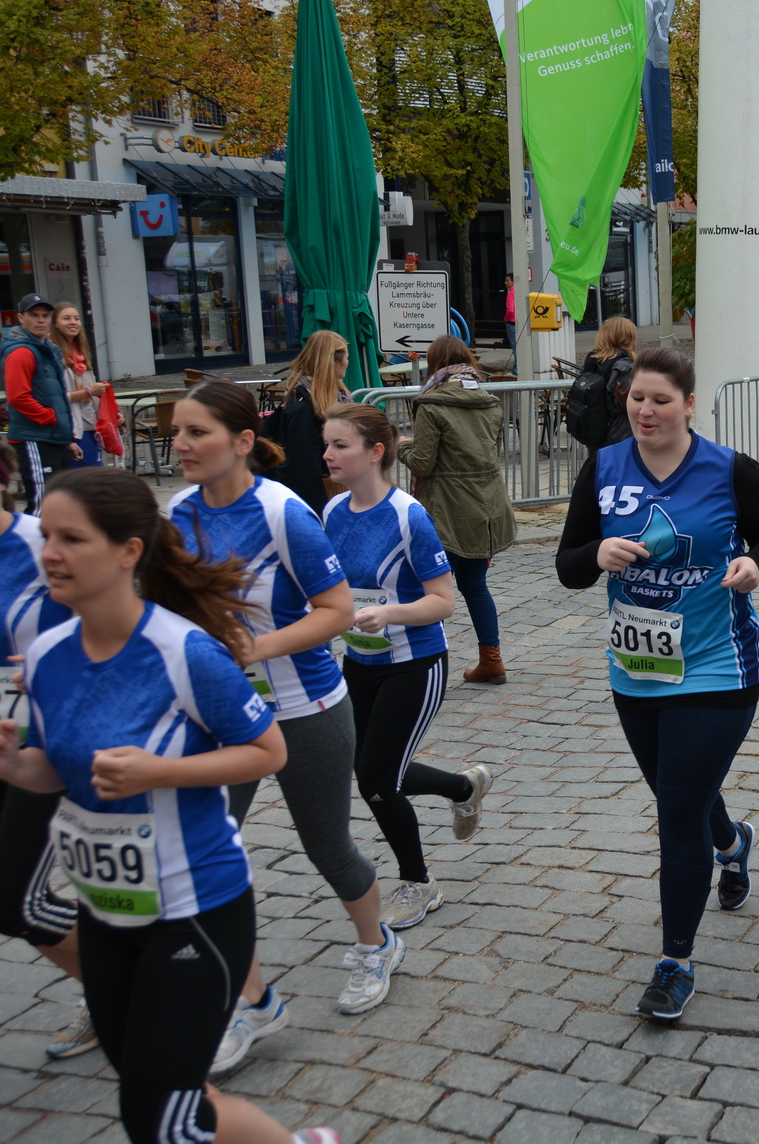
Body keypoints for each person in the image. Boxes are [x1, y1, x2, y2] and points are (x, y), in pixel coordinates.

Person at [0, 466, 337, 1144]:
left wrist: (162, 769)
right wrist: (10, 762)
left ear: (128, 551)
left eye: (72, 538)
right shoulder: (45, 653)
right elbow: (52, 773)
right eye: (49, 535)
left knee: (156, 1119)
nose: (50, 552)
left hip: (196, 909)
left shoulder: (186, 651)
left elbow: (267, 750)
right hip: (105, 912)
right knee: (168, 1098)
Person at [168, 378, 396, 1077]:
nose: (179, 445)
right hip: (217, 716)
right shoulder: (174, 514)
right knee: (202, 854)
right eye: (176, 431)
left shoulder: (283, 512)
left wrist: (253, 649)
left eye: (195, 432)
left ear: (241, 441)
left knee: (327, 843)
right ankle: (251, 996)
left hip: (305, 708)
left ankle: (375, 942)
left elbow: (334, 612)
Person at [556, 347, 759, 1022]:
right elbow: (569, 566)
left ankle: (675, 962)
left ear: (689, 404)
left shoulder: (729, 469)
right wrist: (595, 554)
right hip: (635, 669)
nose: (644, 410)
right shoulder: (603, 468)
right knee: (677, 792)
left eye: (660, 399)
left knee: (675, 813)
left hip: (718, 665)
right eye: (635, 398)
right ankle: (732, 841)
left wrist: (752, 564)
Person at [321, 403, 492, 930]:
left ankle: (419, 883)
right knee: (372, 766)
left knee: (376, 776)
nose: (327, 454)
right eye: (326, 444)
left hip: (415, 663)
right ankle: (463, 788)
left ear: (376, 452)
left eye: (339, 445)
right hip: (359, 661)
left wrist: (387, 613)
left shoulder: (407, 514)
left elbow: (443, 601)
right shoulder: (330, 513)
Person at [0, 441, 92, 1060]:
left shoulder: (42, 542)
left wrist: (48, 667)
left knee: (16, 902)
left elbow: (113, 620)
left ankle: (125, 987)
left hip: (48, 739)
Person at [399, 335, 518, 684]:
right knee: (475, 585)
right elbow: (489, 454)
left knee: (429, 590)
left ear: (434, 365)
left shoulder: (432, 405)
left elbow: (422, 463)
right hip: (487, 508)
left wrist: (401, 446)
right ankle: (492, 660)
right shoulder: (489, 402)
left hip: (447, 511)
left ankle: (420, 665)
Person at [262, 329, 352, 513]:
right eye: (346, 357)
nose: (348, 362)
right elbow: (304, 472)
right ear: (335, 362)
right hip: (310, 505)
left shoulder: (327, 397)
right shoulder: (304, 408)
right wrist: (322, 517)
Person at [4, 294, 73, 514]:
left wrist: (66, 436)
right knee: (43, 505)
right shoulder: (22, 352)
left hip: (52, 437)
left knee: (57, 503)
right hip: (35, 437)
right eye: (33, 315)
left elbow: (55, 395)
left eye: (45, 315)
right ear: (21, 318)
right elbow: (18, 397)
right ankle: (30, 547)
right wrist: (51, 419)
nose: (41, 320)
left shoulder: (47, 350)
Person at [49, 303, 110, 468]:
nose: (73, 322)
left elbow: (94, 393)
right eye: (66, 318)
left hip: (91, 425)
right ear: (55, 323)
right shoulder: (52, 355)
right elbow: (56, 398)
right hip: (73, 428)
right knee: (91, 479)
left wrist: (111, 413)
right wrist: (88, 392)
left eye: (76, 318)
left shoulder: (81, 354)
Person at [575, 316, 638, 462]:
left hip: (596, 429)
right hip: (621, 433)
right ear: (628, 338)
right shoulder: (624, 366)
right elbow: (627, 402)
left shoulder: (593, 360)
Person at [504, 273, 517, 373]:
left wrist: (506, 319)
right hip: (518, 321)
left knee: (515, 347)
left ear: (512, 281)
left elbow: (510, 310)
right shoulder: (519, 292)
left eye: (507, 280)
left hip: (511, 322)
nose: (505, 283)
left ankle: (516, 370)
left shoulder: (510, 294)